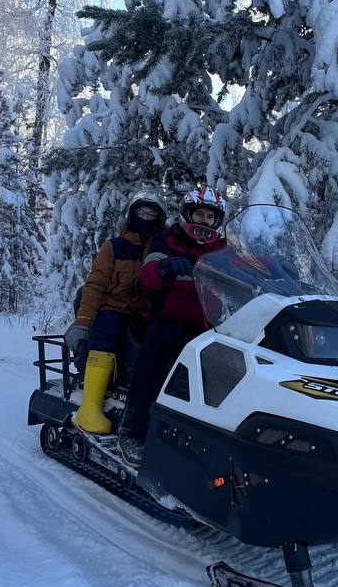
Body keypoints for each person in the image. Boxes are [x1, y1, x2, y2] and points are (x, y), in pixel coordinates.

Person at [117, 184, 227, 462]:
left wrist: (274, 267)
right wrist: (165, 267)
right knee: (156, 352)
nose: (204, 221)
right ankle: (132, 429)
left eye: (210, 217)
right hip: (167, 319)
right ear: (187, 215)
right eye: (199, 214)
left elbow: (246, 268)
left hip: (208, 326)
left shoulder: (223, 250)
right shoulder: (166, 242)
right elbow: (149, 273)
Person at [64, 190, 168, 434]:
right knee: (108, 330)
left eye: (152, 214)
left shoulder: (163, 249)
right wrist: (83, 322)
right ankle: (89, 407)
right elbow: (95, 285)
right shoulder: (115, 247)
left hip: (146, 311)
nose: (146, 217)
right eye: (142, 212)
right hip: (114, 307)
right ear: (132, 215)